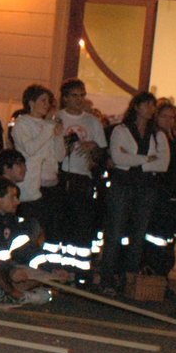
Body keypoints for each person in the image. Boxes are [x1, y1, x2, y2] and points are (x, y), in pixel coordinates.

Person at [97, 90, 169, 294]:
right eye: (146, 105)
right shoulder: (121, 130)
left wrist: (133, 159)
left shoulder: (157, 134)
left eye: (152, 105)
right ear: (136, 107)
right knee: (115, 233)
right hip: (122, 186)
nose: (150, 109)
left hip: (146, 188)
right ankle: (107, 279)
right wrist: (147, 160)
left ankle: (128, 280)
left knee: (138, 235)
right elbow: (119, 159)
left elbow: (163, 164)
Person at [53, 78, 108, 279]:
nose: (79, 99)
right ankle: (56, 270)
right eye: (74, 95)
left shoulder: (92, 122)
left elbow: (102, 153)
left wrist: (93, 146)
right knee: (59, 224)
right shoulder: (56, 118)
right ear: (65, 98)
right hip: (58, 176)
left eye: (82, 95)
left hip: (83, 178)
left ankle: (78, 273)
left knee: (81, 225)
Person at [144, 100, 176, 277]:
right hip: (157, 193)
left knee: (169, 236)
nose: (168, 120)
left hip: (175, 194)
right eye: (164, 116)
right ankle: (150, 268)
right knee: (154, 234)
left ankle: (163, 271)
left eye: (171, 117)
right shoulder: (151, 138)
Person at [9, 83, 63, 232]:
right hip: (31, 183)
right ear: (31, 103)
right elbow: (30, 149)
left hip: (50, 182)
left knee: (48, 225)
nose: (47, 105)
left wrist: (58, 137)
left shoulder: (48, 125)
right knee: (30, 226)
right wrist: (48, 128)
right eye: (43, 101)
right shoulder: (22, 123)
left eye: (48, 101)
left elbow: (59, 156)